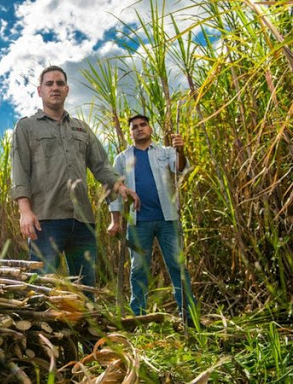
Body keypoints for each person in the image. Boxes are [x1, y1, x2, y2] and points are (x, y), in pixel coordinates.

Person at [10, 65, 139, 297]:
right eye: (49, 84)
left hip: (82, 222)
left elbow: (101, 165)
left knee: (85, 287)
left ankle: (85, 332)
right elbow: (20, 169)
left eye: (60, 83)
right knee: (42, 288)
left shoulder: (82, 128)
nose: (55, 88)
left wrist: (118, 185)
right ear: (40, 91)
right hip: (45, 220)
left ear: (67, 89)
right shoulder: (27, 127)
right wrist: (24, 211)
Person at [107, 114, 196, 321]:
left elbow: (180, 169)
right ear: (130, 133)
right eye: (135, 127)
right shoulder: (122, 159)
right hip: (138, 223)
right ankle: (139, 316)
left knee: (177, 266)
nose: (139, 129)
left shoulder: (166, 152)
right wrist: (115, 221)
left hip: (168, 219)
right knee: (138, 269)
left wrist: (180, 150)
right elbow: (114, 191)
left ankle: (189, 315)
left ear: (150, 129)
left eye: (143, 125)